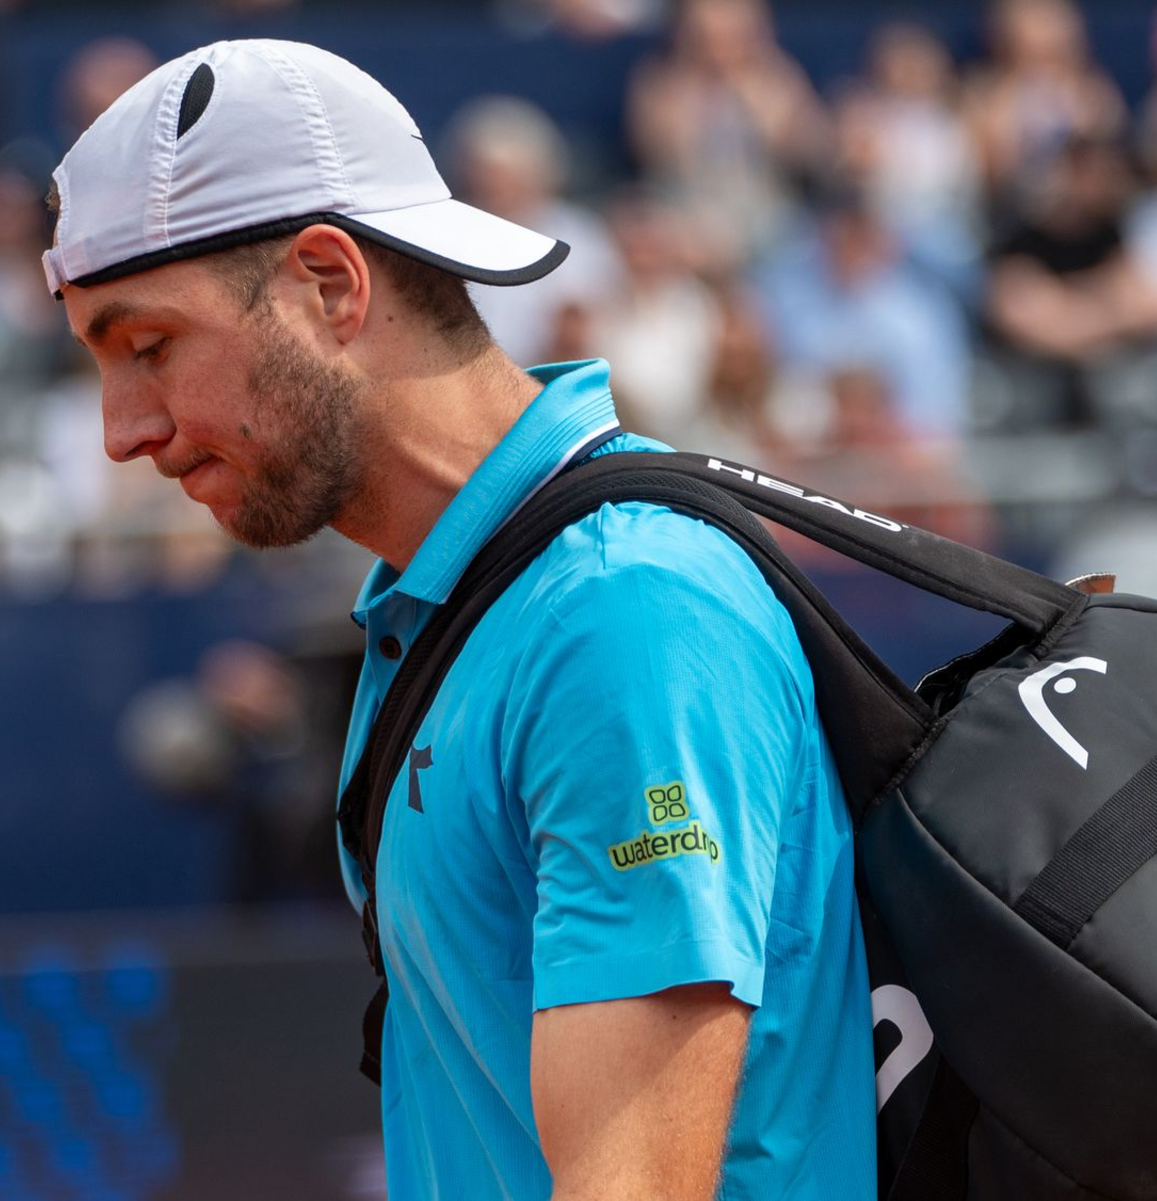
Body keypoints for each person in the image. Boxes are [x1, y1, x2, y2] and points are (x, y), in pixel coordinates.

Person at [43, 39, 876, 1199]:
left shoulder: (615, 610)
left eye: (149, 347)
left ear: (332, 283)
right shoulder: (464, 599)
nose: (121, 430)